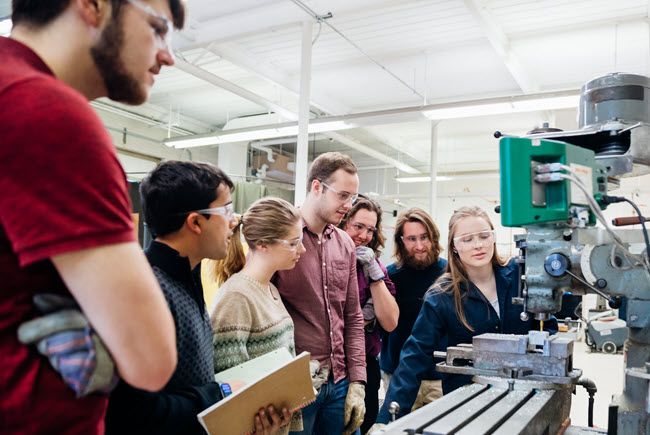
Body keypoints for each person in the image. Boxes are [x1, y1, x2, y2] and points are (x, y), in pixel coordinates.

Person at [1, 1, 184, 432]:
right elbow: (150, 359)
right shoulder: (46, 111)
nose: (167, 55)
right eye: (157, 28)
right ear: (92, 5)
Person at [106, 162, 290, 435]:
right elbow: (130, 412)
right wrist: (219, 396)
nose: (234, 221)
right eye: (226, 210)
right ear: (195, 222)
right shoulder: (146, 292)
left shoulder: (186, 277)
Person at [375, 206, 556, 424]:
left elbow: (549, 330)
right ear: (454, 246)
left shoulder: (521, 278)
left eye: (484, 236)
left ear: (493, 238)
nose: (478, 245)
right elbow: (414, 356)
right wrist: (385, 421)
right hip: (467, 407)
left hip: (525, 398)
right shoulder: (441, 297)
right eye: (467, 239)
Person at [273, 152, 366, 435]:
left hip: (339, 383)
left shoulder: (345, 244)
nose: (348, 206)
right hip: (297, 385)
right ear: (316, 187)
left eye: (353, 197)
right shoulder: (281, 239)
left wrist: (358, 383)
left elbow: (353, 316)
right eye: (343, 196)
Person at [211, 197, 307, 433]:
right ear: (263, 244)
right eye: (294, 243)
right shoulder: (236, 297)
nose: (302, 250)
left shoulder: (270, 288)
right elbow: (229, 390)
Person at [339, 197, 399, 434]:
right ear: (343, 223)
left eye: (371, 230)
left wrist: (373, 273)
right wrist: (365, 317)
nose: (364, 235)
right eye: (358, 226)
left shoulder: (375, 266)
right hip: (335, 366)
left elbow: (390, 320)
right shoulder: (329, 261)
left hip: (367, 362)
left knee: (366, 423)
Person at [380, 208, 447, 408]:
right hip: (398, 376)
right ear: (401, 241)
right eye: (411, 239)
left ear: (433, 237)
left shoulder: (450, 274)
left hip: (440, 377)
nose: (419, 246)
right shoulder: (389, 277)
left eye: (424, 237)